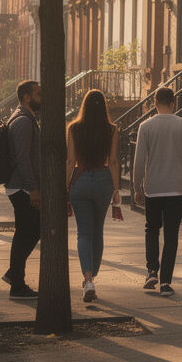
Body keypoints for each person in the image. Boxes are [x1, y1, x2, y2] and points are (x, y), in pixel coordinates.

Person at [130, 86, 182, 297]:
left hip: (154, 188)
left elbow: (139, 159)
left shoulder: (146, 126)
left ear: (154, 103)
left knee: (151, 229)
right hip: (176, 188)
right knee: (171, 235)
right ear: (173, 103)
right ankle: (166, 282)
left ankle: (152, 270)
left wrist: (137, 186)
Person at [66, 89, 120, 302]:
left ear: (84, 106)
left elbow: (70, 162)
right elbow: (114, 162)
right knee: (98, 231)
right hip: (103, 180)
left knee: (84, 233)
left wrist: (65, 188)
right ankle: (93, 275)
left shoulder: (74, 128)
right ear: (104, 107)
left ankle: (87, 279)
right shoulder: (112, 130)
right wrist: (116, 191)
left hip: (80, 180)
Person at [3, 80, 42, 299]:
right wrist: (33, 189)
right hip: (21, 187)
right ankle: (17, 284)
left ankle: (14, 275)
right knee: (28, 232)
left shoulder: (25, 118)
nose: (41, 97)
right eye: (38, 93)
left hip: (21, 185)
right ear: (27, 97)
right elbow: (22, 159)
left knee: (29, 231)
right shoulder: (23, 122)